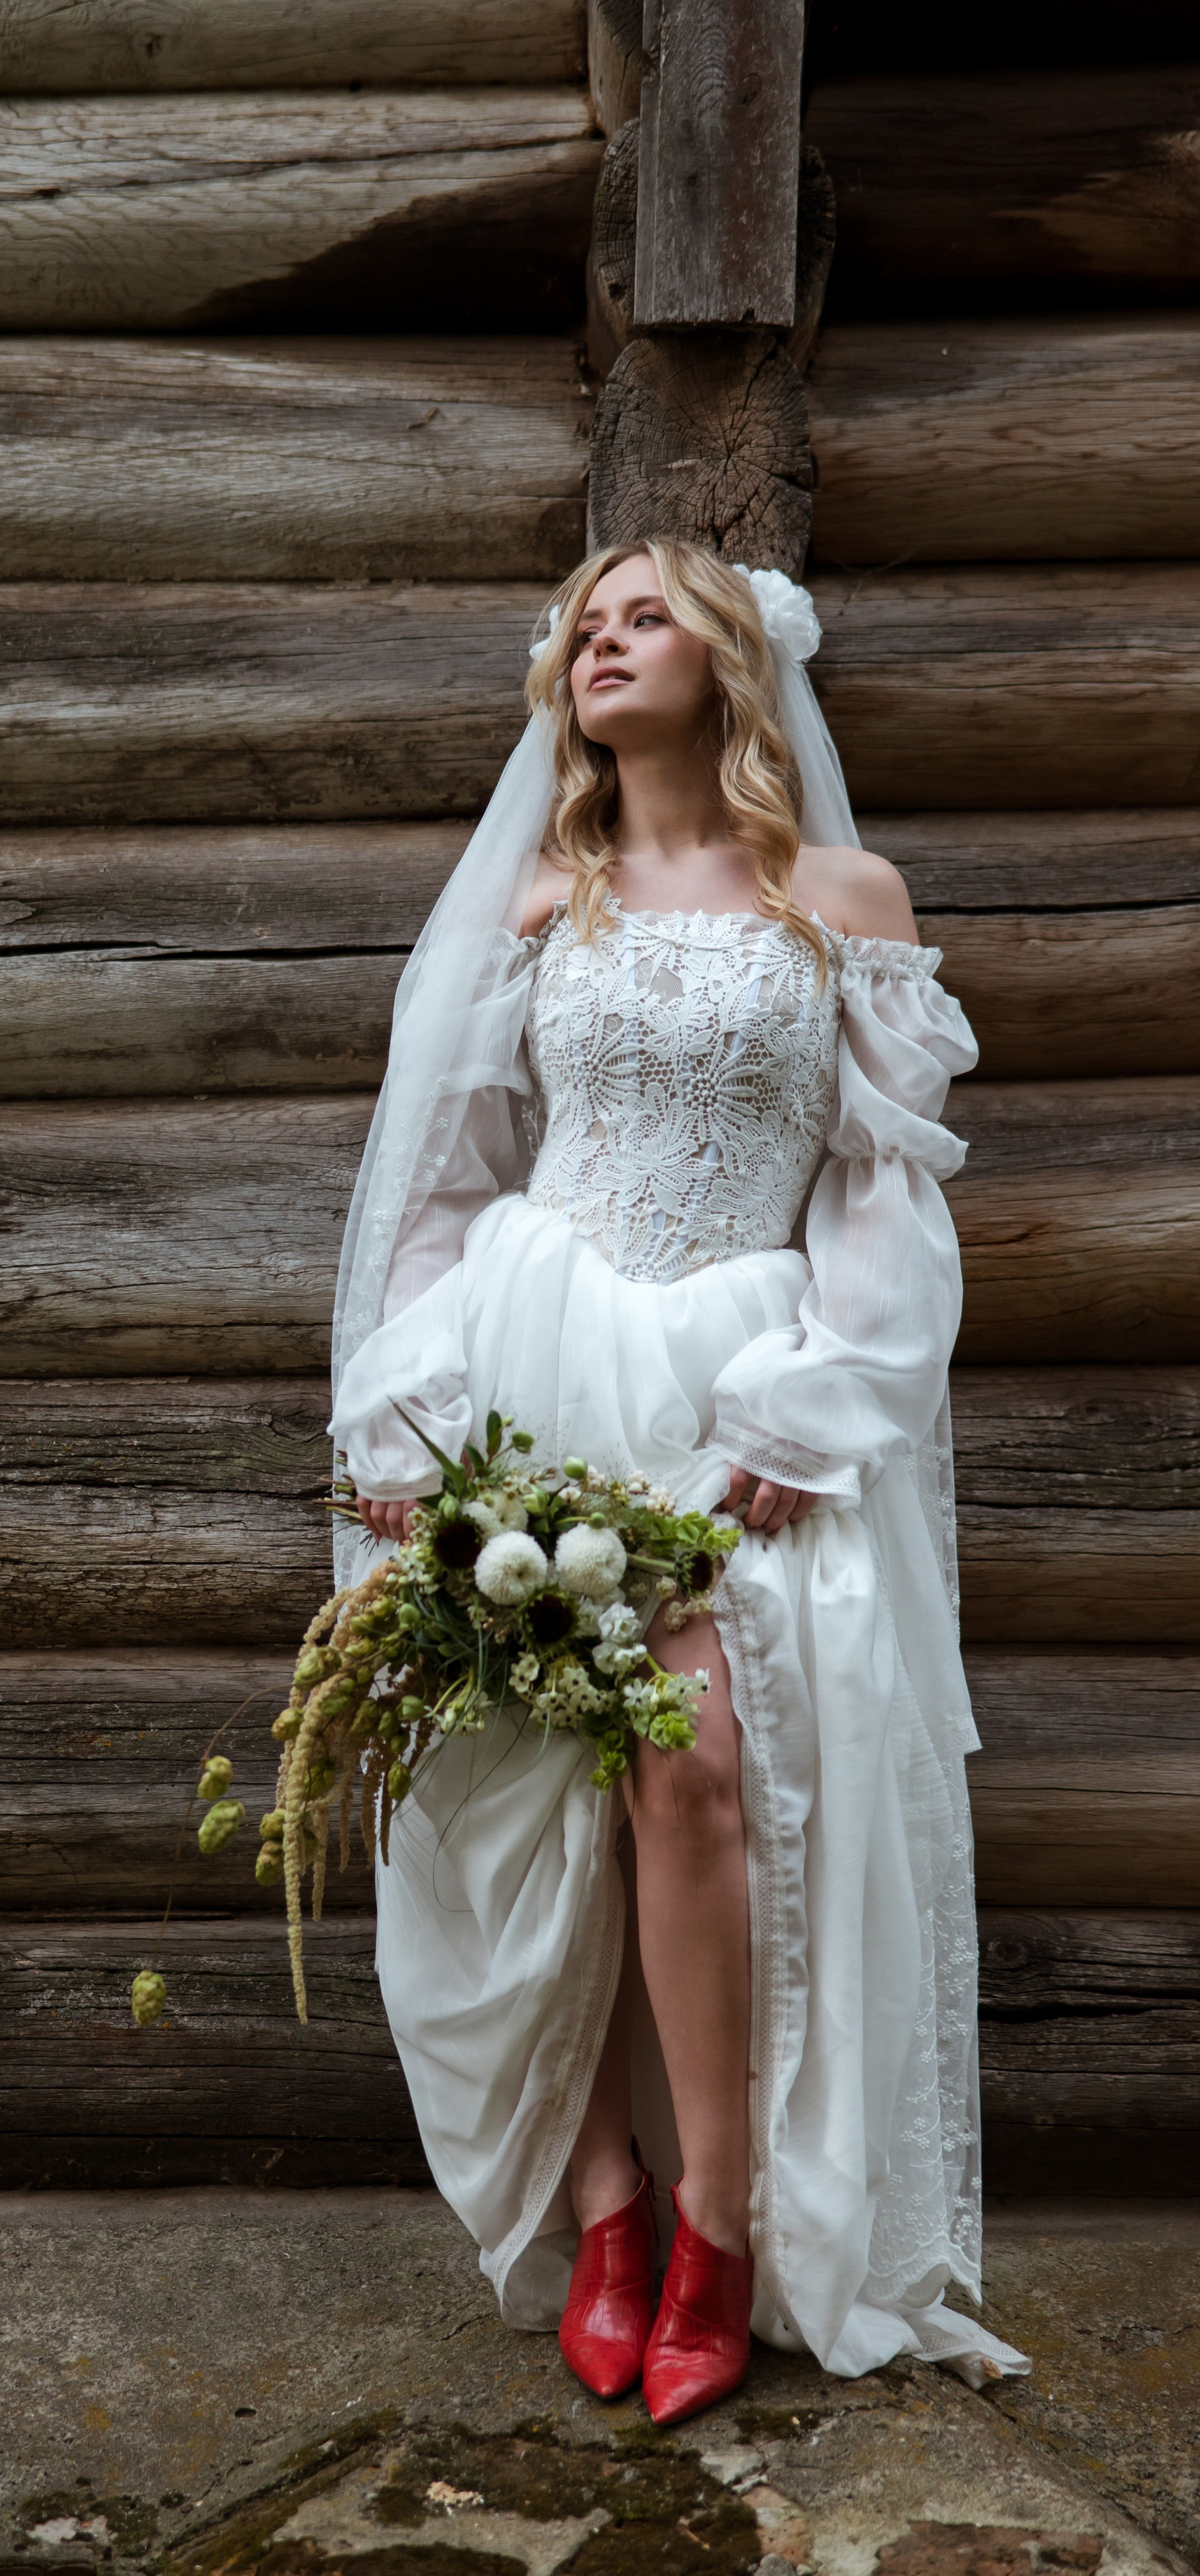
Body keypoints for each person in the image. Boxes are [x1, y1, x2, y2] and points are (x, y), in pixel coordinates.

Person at [329, 541, 1026, 2422]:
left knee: (695, 1763)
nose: (601, 640)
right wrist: (403, 1410)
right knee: (533, 1785)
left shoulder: (840, 896)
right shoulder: (541, 904)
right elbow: (445, 1187)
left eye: (644, 614)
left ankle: (723, 2220)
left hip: (734, 1382)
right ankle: (606, 2209)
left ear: (733, 659)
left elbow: (883, 1200)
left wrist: (813, 1412)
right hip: (530, 1365)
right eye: (583, 620)